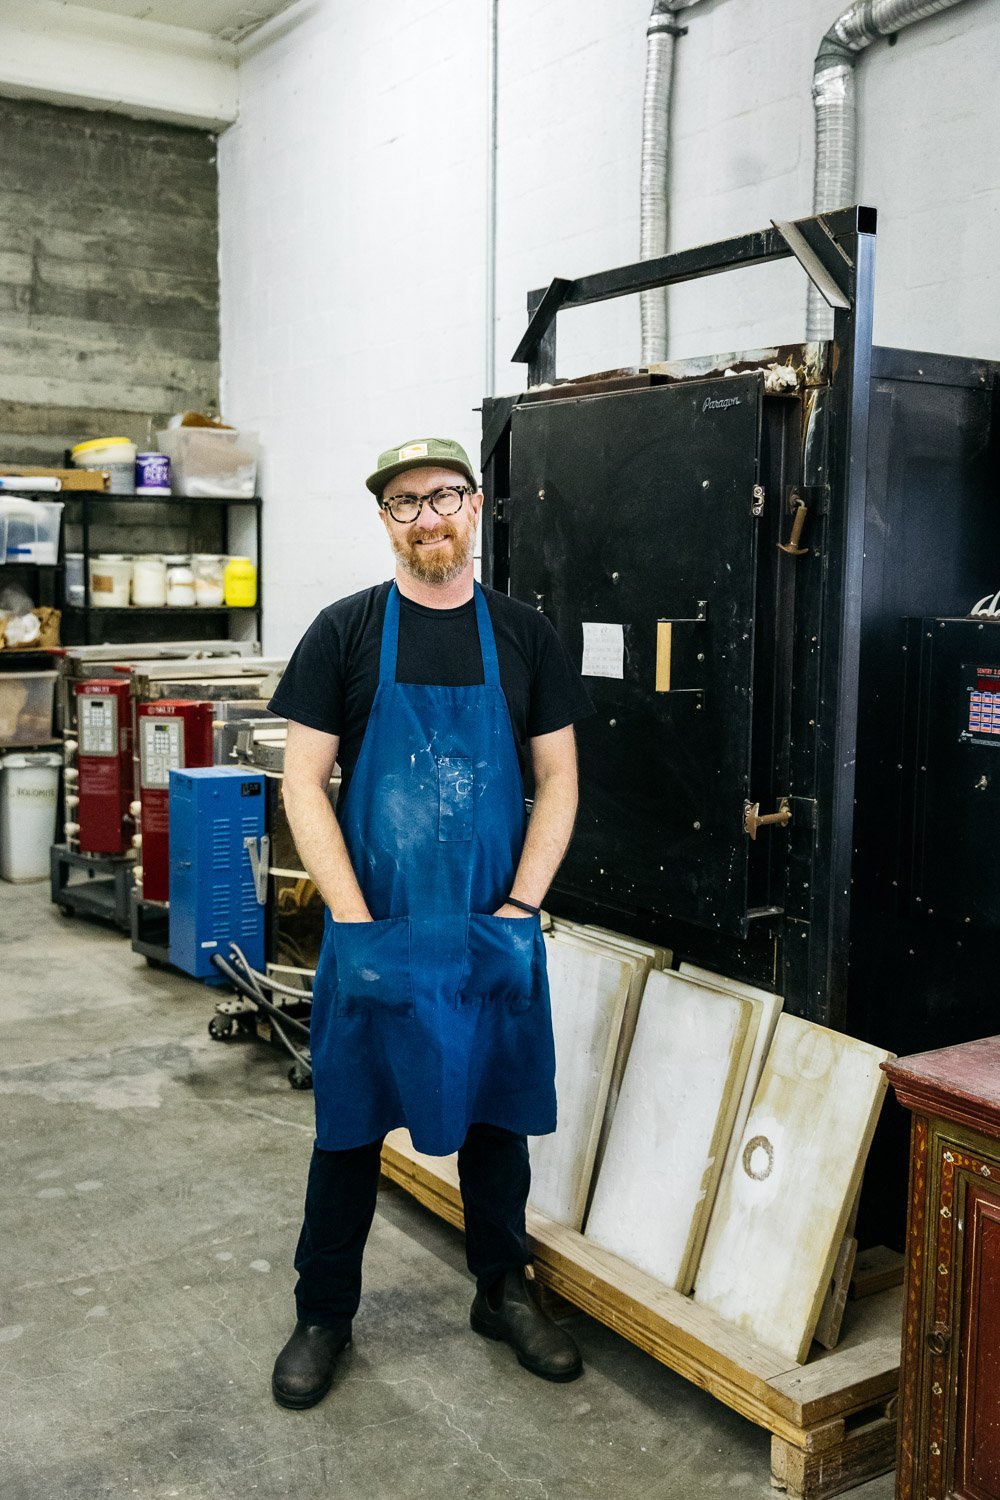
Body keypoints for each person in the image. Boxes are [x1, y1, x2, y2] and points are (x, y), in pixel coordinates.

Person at [267, 437, 593, 1410]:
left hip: (491, 929)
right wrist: (355, 922)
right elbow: (302, 782)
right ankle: (323, 1313)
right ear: (385, 521)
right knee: (348, 1131)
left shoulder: (526, 634)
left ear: (476, 506)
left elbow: (559, 779)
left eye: (443, 495)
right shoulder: (345, 632)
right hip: (380, 932)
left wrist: (521, 907)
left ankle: (502, 1289)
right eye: (404, 503)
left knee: (497, 1117)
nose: (427, 516)